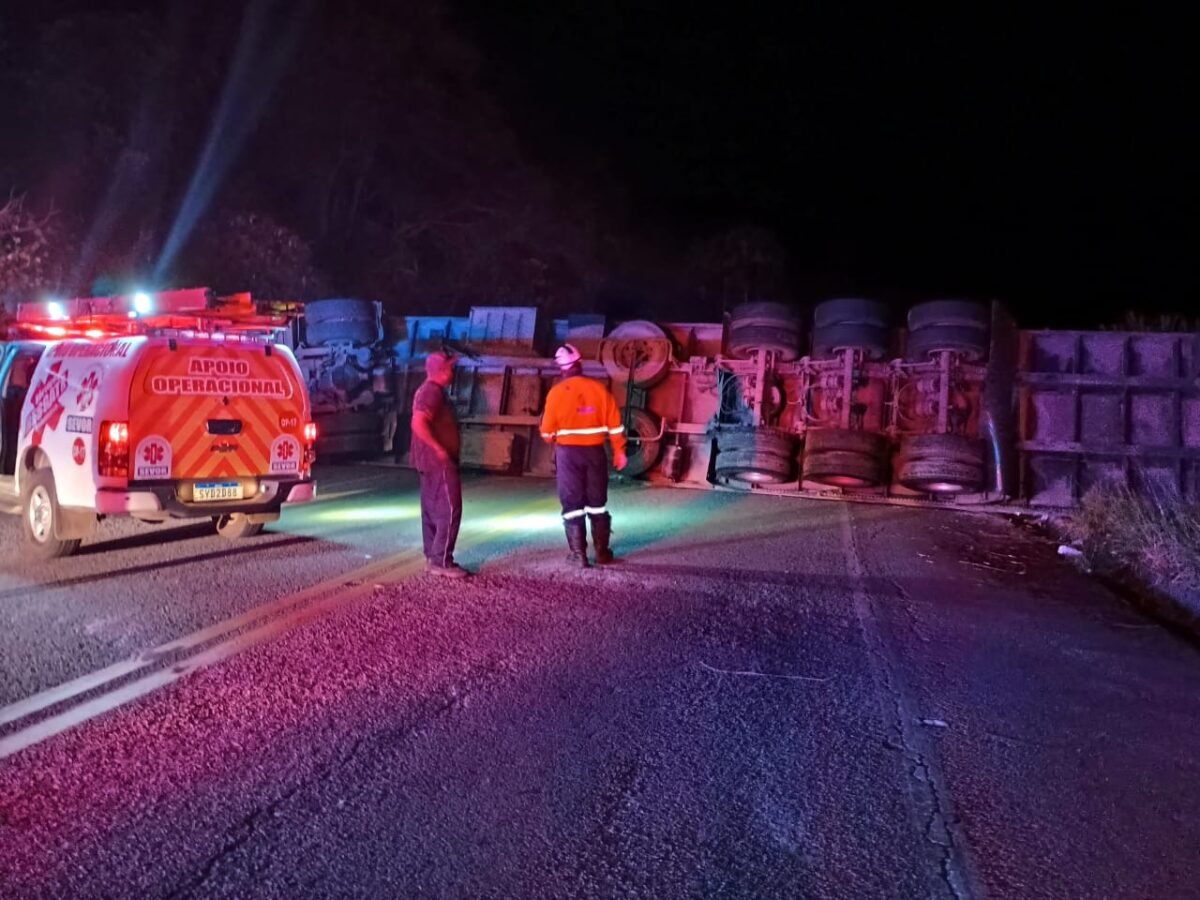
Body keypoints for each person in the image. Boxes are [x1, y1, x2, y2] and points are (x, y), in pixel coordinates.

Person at [540, 343, 628, 567]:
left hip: (568, 454)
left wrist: (555, 437)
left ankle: (578, 555)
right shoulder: (598, 389)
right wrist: (619, 451)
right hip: (595, 453)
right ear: (579, 364)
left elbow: (547, 433)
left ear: (562, 368)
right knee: (597, 503)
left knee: (572, 503)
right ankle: (602, 553)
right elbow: (616, 426)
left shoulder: (556, 393)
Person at [410, 351, 468, 577]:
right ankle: (442, 561)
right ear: (441, 370)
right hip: (438, 462)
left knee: (432, 510)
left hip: (428, 462)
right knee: (450, 509)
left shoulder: (426, 391)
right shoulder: (432, 392)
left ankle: (433, 558)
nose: (453, 372)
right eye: (450, 368)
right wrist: (439, 449)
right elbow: (419, 423)